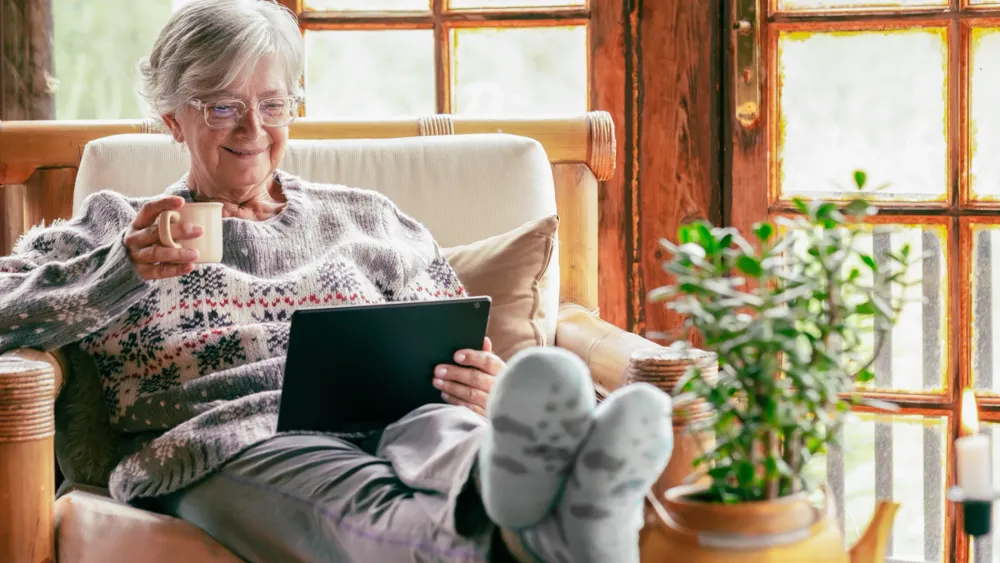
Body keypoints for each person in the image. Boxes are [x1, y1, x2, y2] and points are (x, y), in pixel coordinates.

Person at [0, 1, 674, 561]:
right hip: (232, 441)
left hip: (404, 415)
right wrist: (123, 269)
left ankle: (534, 482)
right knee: (349, 494)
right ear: (172, 116)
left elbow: (453, 324)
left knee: (450, 437)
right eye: (222, 107)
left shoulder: (368, 219)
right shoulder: (122, 225)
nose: (254, 130)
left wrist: (485, 380)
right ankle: (536, 532)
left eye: (272, 105)